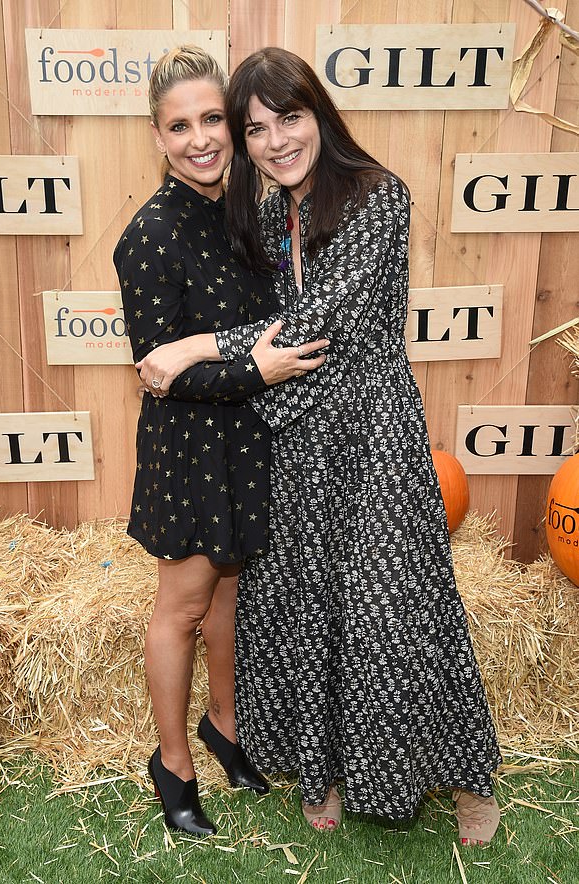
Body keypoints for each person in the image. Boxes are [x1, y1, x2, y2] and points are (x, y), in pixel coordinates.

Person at [139, 47, 502, 844]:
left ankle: (466, 776)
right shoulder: (271, 215)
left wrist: (196, 345)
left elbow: (315, 324)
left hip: (374, 437)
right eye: (256, 128)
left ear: (319, 114)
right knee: (313, 615)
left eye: (289, 119)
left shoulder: (380, 198)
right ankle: (323, 768)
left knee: (401, 608)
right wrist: (231, 358)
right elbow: (274, 335)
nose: (274, 142)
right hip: (296, 440)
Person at [113, 46, 327, 838]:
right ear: (159, 137)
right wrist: (259, 370)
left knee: (227, 598)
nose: (200, 138)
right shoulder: (150, 235)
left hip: (247, 438)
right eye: (181, 126)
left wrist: (258, 369)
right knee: (182, 607)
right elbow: (161, 372)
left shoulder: (247, 210)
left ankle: (225, 728)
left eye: (213, 120)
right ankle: (173, 762)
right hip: (189, 448)